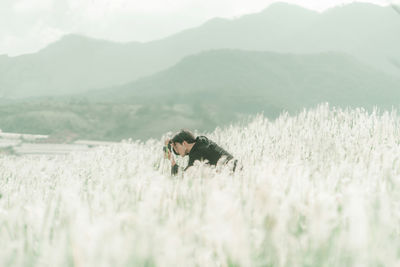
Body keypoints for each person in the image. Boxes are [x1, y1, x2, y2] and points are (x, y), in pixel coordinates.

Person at [164, 129, 239, 175]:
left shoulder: (197, 153)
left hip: (233, 173)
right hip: (237, 168)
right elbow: (181, 152)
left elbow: (182, 177)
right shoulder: (201, 142)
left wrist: (172, 161)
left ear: (184, 143)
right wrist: (169, 146)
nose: (176, 150)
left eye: (176, 146)